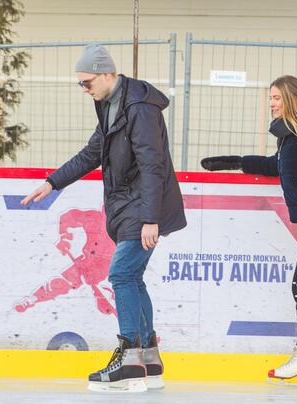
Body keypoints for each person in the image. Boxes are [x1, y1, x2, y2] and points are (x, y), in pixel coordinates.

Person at [21, 44, 186, 392]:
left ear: (108, 73)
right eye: (80, 84)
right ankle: (149, 359)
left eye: (87, 82)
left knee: (122, 273)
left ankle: (129, 361)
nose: (85, 89)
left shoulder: (139, 109)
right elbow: (91, 153)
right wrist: (52, 183)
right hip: (129, 205)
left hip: (144, 207)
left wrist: (151, 219)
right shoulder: (110, 106)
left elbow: (152, 166)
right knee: (133, 277)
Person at [200, 75, 297, 383]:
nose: (271, 104)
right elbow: (276, 166)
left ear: (293, 99)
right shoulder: (290, 136)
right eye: (270, 98)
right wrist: (235, 162)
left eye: (276, 98)